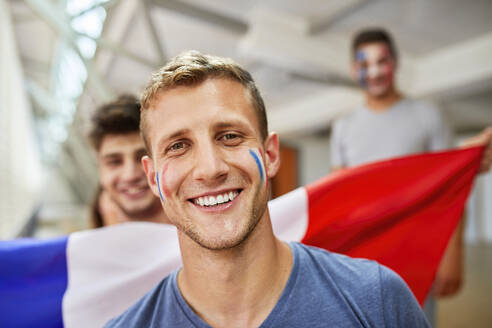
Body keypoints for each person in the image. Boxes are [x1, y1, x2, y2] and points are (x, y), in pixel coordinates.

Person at [105, 50, 429, 327]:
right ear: (153, 178)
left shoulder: (378, 301)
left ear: (270, 155)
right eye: (178, 146)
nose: (210, 168)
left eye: (229, 136)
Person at [330, 28, 492, 323]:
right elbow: (338, 196)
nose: (375, 71)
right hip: (361, 254)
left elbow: (451, 188)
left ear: (396, 62)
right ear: (354, 69)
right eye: (365, 64)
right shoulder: (343, 126)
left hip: (418, 249)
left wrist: (452, 254)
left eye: (383, 61)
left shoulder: (428, 114)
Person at [88, 95, 170, 226]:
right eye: (114, 162)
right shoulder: (79, 246)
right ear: (100, 171)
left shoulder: (207, 240)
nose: (130, 175)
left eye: (142, 157)